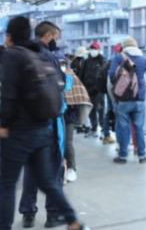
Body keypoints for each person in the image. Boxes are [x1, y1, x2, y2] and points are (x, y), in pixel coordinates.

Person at [0, 16, 88, 230]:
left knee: (6, 183)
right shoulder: (41, 53)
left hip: (19, 132)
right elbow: (59, 85)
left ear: (9, 36)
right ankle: (73, 221)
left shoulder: (12, 56)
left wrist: (3, 124)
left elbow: (9, 95)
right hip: (44, 128)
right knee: (48, 181)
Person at [18, 21, 70, 228]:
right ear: (49, 35)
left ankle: (28, 214)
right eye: (55, 36)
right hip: (51, 120)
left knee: (31, 170)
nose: (56, 41)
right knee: (54, 169)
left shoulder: (22, 54)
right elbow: (60, 85)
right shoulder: (49, 57)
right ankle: (53, 214)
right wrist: (67, 77)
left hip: (29, 122)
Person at [109, 37, 146, 164]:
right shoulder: (144, 59)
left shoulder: (119, 58)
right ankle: (142, 155)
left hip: (124, 98)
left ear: (124, 46)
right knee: (139, 128)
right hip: (140, 99)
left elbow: (111, 75)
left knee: (123, 127)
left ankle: (123, 156)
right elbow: (143, 73)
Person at [63, 62, 93, 183]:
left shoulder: (71, 77)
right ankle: (61, 170)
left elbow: (79, 96)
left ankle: (71, 168)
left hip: (68, 114)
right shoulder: (52, 75)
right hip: (54, 114)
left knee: (67, 143)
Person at [80, 42, 105, 135]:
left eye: (94, 49)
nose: (92, 51)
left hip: (99, 91)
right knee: (91, 110)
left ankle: (103, 128)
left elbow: (104, 76)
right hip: (88, 90)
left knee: (100, 109)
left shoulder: (102, 61)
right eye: (91, 49)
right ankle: (94, 127)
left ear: (98, 50)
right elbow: (81, 75)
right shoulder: (86, 61)